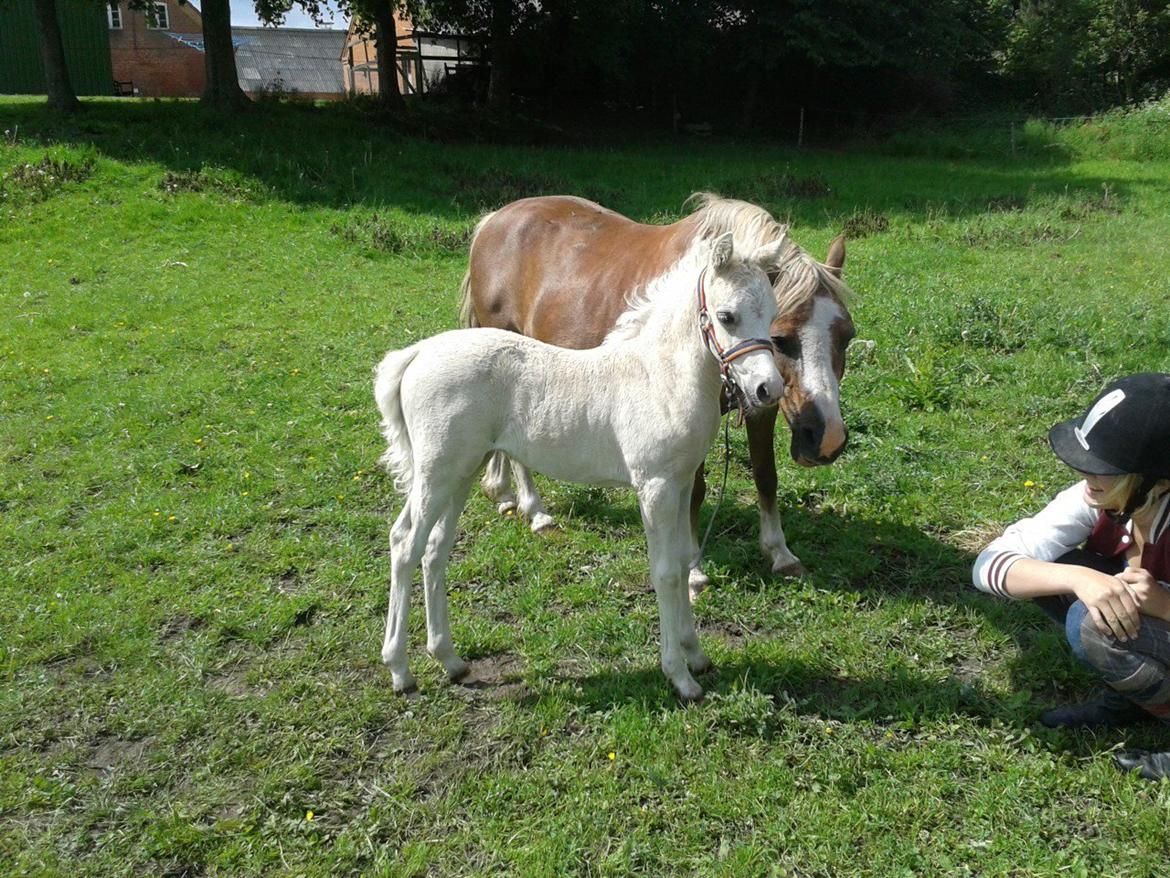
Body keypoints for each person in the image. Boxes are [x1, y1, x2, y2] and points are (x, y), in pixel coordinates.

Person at [972, 373, 1170, 780]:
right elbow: (988, 565)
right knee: (1057, 570)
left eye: (1104, 468)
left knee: (1093, 624)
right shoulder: (1098, 498)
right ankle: (1132, 702)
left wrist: (1166, 606)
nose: (1086, 476)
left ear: (1159, 482)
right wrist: (1081, 577)